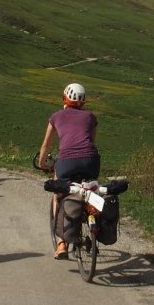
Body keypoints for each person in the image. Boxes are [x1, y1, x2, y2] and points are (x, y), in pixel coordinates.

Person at [37, 82, 99, 259]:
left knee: (59, 193)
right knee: (90, 188)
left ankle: (61, 243)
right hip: (91, 161)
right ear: (83, 102)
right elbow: (91, 142)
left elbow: (46, 144)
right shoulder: (90, 117)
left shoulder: (56, 116)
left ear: (64, 98)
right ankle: (94, 223)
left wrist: (42, 163)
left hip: (66, 162)